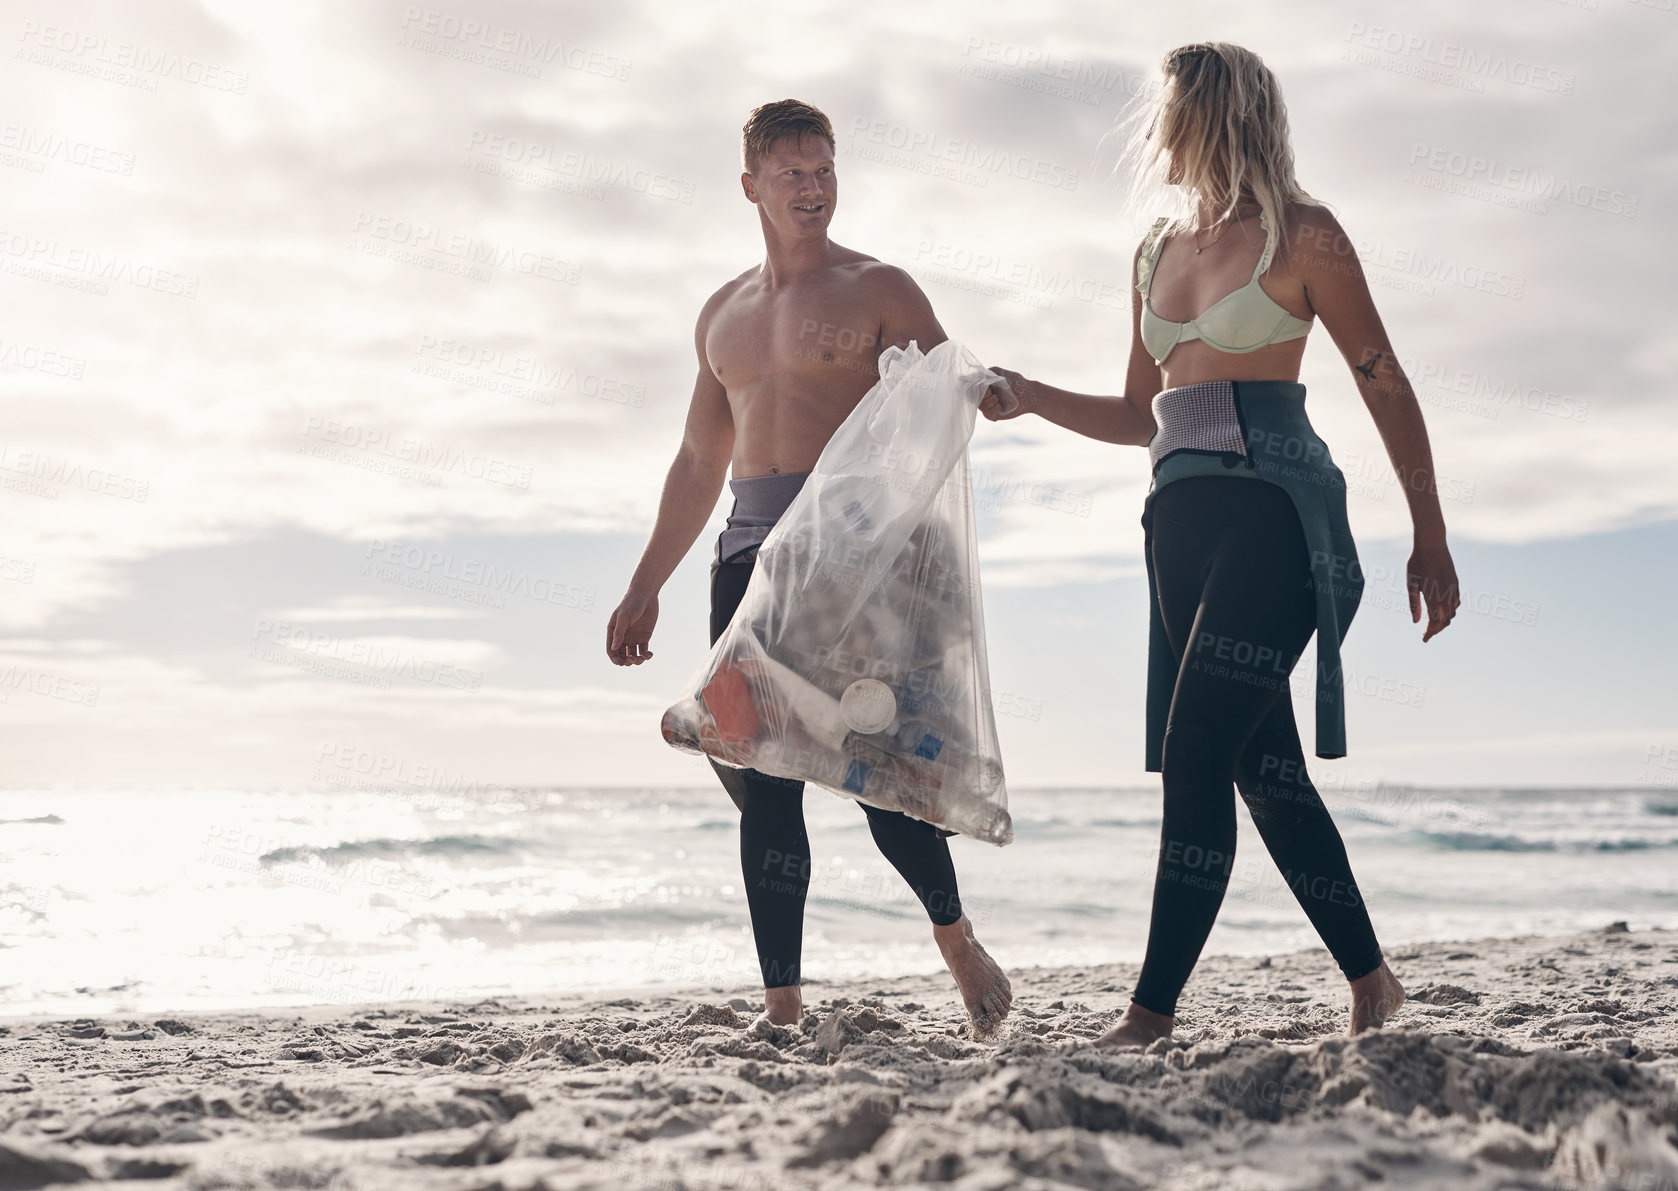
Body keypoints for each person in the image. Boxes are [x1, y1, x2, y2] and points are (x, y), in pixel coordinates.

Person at [980, 42, 1460, 1048]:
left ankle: (1148, 1018)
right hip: (1177, 527)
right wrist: (1028, 397)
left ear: (1207, 111)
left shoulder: (1303, 234)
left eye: (1166, 107)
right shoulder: (1155, 250)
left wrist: (1429, 533)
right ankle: (1373, 984)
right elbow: (1133, 412)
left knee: (1193, 754)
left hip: (1274, 520)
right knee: (1264, 770)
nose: (1153, 125)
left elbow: (1384, 379)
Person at [606, 100, 1012, 1035]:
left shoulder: (879, 289)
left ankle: (953, 936)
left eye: (824, 169)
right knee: (763, 786)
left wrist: (981, 386)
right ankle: (782, 1005)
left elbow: (942, 384)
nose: (812, 187)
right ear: (751, 185)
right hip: (749, 565)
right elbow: (700, 463)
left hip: (852, 565)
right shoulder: (722, 316)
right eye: (791, 173)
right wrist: (645, 583)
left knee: (878, 775)